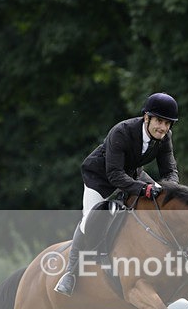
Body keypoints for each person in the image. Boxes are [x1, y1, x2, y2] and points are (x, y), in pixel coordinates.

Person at [54, 92, 181, 296]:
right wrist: (144, 189)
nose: (163, 128)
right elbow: (114, 175)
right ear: (147, 117)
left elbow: (170, 171)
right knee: (89, 221)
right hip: (101, 178)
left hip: (133, 174)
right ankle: (70, 273)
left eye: (168, 124)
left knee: (165, 201)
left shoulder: (165, 137)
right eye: (159, 121)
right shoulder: (121, 132)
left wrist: (169, 190)